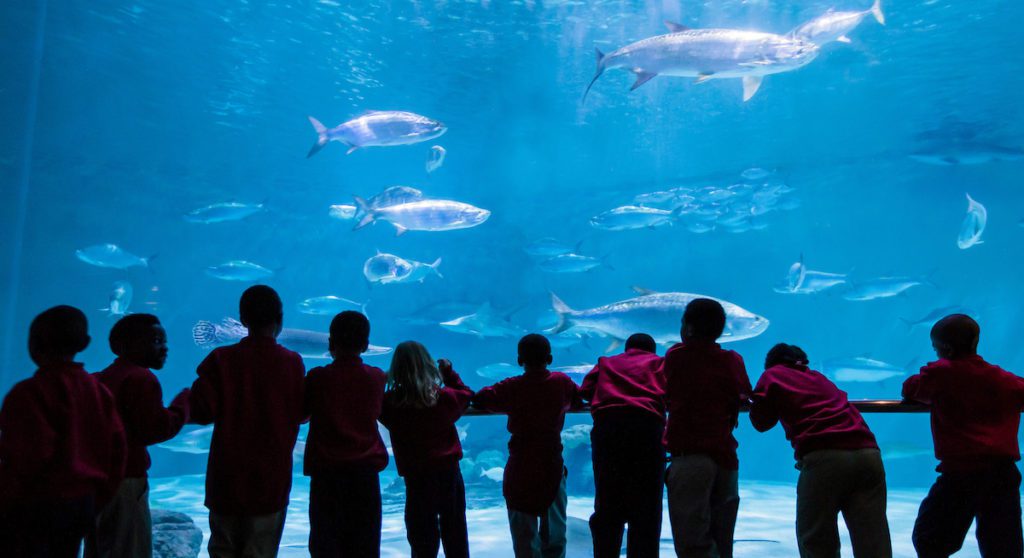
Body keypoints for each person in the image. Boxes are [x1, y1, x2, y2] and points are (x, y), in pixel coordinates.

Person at [0, 305, 126, 558]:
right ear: (86, 342)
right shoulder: (98, 390)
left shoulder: (28, 393)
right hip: (82, 503)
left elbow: (26, 458)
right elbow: (117, 450)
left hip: (34, 504)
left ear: (32, 344)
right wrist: (97, 498)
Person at [189, 285, 306, 558]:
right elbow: (301, 413)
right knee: (260, 550)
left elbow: (202, 411)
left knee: (223, 550)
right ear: (280, 320)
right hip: (270, 481)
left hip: (225, 480)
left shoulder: (220, 359)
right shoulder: (291, 362)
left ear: (242, 320)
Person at [750, 343, 891, 558]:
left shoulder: (773, 375)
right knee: (873, 539)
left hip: (824, 458)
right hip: (868, 454)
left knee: (817, 538)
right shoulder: (821, 378)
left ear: (771, 364)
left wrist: (751, 400)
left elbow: (761, 422)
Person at [902, 314, 1024, 557]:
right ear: (976, 341)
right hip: (1003, 474)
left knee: (929, 537)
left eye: (936, 349)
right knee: (1003, 546)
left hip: (961, 475)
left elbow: (911, 388)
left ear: (944, 348)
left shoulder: (940, 374)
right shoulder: (1005, 380)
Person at [473, 334, 582, 558]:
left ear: (519, 360)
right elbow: (579, 397)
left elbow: (482, 398)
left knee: (524, 536)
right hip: (551, 464)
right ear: (550, 358)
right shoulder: (561, 382)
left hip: (520, 466)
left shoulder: (513, 386)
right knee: (555, 536)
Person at [91, 313, 191, 558]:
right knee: (130, 548)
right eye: (156, 340)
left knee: (99, 548)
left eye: (164, 340)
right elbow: (155, 429)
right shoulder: (141, 378)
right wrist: (182, 407)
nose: (164, 347)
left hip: (98, 482)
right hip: (127, 480)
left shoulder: (101, 377)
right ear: (125, 346)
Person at [662, 298, 751, 558]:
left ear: (687, 328)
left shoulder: (676, 356)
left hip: (690, 458)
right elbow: (745, 392)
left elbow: (663, 389)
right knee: (723, 542)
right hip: (726, 459)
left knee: (693, 544)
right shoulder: (732, 359)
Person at [304, 311, 388, 558]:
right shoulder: (376, 377)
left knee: (325, 546)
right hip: (364, 477)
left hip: (326, 477)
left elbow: (301, 415)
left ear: (330, 343)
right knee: (365, 546)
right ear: (365, 345)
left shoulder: (318, 378)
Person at [380, 341, 473, 558]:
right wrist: (449, 374)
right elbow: (465, 393)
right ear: (429, 366)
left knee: (421, 533)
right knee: (455, 528)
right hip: (448, 472)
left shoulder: (390, 403)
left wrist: (386, 378)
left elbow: (374, 399)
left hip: (416, 476)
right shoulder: (443, 398)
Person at [579, 333, 666, 558]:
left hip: (609, 431)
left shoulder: (606, 363)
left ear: (626, 348)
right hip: (647, 431)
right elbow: (672, 392)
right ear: (653, 350)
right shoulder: (660, 363)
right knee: (647, 506)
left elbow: (586, 391)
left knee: (608, 503)